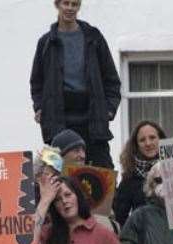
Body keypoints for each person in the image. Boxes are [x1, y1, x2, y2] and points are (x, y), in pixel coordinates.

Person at [30, 0, 120, 168]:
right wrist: (40, 107)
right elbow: (37, 82)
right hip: (57, 121)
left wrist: (108, 109)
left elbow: (112, 80)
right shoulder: (46, 42)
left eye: (75, 4)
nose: (70, 8)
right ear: (57, 5)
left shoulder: (94, 37)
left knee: (103, 174)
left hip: (93, 120)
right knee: (55, 172)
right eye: (66, 3)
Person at [113, 119, 164, 228]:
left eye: (152, 138)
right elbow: (120, 217)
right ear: (136, 145)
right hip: (143, 240)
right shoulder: (129, 178)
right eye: (142, 140)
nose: (148, 143)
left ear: (161, 139)